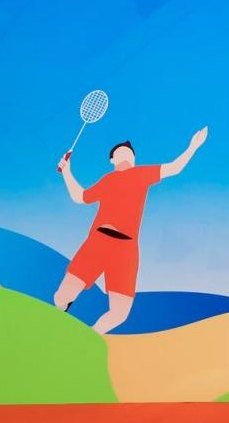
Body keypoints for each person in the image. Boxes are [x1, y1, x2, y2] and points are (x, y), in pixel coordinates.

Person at [54, 127, 208, 333]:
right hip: (98, 243)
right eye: (120, 150)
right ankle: (58, 319)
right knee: (61, 298)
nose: (126, 151)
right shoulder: (107, 180)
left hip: (126, 251)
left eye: (130, 152)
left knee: (120, 313)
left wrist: (193, 146)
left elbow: (174, 167)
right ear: (112, 160)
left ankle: (88, 337)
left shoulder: (142, 174)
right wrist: (66, 171)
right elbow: (80, 197)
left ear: (134, 160)